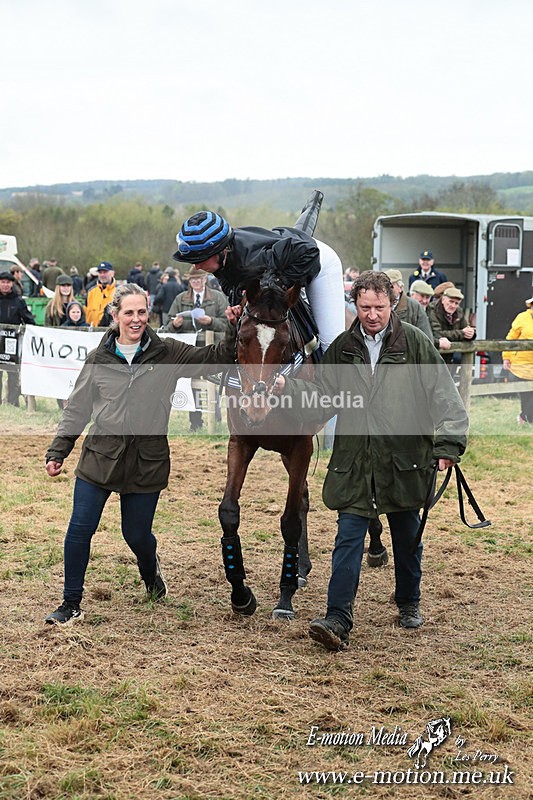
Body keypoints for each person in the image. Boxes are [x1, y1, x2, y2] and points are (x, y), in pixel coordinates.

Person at [274, 271, 468, 651]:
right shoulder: (343, 347)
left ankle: (408, 602)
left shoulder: (415, 343)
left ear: (392, 303)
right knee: (347, 540)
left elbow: (445, 397)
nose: (372, 315)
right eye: (365, 307)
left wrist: (447, 445)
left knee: (407, 538)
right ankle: (337, 618)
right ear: (356, 305)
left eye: (379, 307)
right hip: (355, 463)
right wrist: (288, 388)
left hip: (405, 461)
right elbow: (323, 395)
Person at [44, 283, 236, 625]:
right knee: (79, 529)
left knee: (135, 534)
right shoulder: (99, 358)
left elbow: (215, 358)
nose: (136, 319)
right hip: (99, 459)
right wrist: (59, 450)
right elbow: (77, 409)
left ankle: (151, 572)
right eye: (129, 312)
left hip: (147, 462)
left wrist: (234, 327)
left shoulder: (167, 352)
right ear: (115, 315)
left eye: (142, 312)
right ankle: (70, 603)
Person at [172, 210, 345, 352]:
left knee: (331, 344)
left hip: (315, 258)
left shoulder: (254, 259)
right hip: (287, 251)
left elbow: (310, 252)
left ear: (220, 251)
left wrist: (279, 285)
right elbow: (232, 286)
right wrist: (238, 305)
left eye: (200, 259)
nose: (196, 266)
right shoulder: (222, 258)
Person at [163, 266, 229, 431]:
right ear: (189, 281)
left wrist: (211, 321)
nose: (196, 282)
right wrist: (175, 324)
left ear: (205, 279)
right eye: (193, 279)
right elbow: (167, 326)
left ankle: (215, 417)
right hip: (189, 350)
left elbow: (228, 324)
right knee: (192, 384)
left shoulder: (218, 297)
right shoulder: (180, 299)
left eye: (199, 279)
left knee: (213, 382)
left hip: (211, 348)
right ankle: (195, 421)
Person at [0, 271, 35, 406]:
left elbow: (28, 319)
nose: (5, 285)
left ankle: (12, 402)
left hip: (12, 343)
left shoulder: (19, 301)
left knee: (13, 374)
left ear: (12, 284)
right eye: (2, 282)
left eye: (8, 282)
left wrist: (34, 331)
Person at [502, 296, 533, 425]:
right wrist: (506, 357)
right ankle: (526, 418)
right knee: (526, 393)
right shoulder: (522, 318)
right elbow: (511, 339)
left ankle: (524, 417)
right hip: (522, 364)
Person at [426, 286, 475, 367]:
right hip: (433, 358)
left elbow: (466, 328)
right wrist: (462, 333)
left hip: (450, 357)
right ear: (443, 299)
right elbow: (437, 334)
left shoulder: (458, 311)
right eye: (451, 301)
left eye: (456, 303)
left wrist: (471, 334)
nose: (453, 305)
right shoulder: (432, 310)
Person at [384, 269, 433, 342]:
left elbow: (426, 339)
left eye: (391, 286)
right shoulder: (376, 305)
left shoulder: (414, 306)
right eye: (384, 286)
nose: (386, 289)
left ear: (400, 288)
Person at [409, 279, 452, 352]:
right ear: (412, 295)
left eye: (427, 297)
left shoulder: (429, 310)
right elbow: (415, 337)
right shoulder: (407, 310)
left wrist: (440, 338)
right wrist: (438, 343)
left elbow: (435, 330)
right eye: (422, 296)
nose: (424, 301)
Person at [85, 261, 117, 326]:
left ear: (112, 273)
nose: (102, 275)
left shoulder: (119, 292)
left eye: (105, 272)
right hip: (92, 330)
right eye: (100, 272)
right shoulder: (91, 292)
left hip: (112, 330)